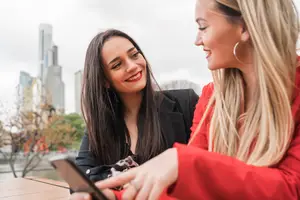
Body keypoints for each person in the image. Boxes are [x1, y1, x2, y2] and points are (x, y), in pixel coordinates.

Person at [90, 0, 300, 199]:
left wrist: (184, 163)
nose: (197, 40)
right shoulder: (212, 99)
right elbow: (187, 194)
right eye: (117, 65)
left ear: (244, 27)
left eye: (203, 27)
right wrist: (117, 197)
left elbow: (292, 190)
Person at [70, 29, 199, 199]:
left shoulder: (186, 103)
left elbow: (203, 165)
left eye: (134, 55)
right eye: (117, 65)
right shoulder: (100, 126)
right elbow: (78, 182)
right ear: (104, 80)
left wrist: (115, 176)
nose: (132, 66)